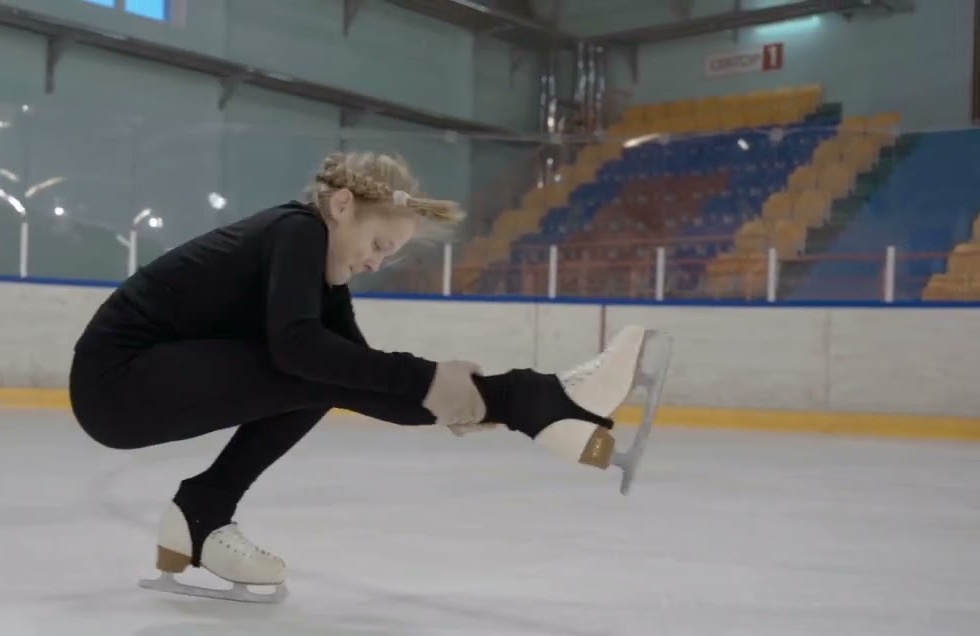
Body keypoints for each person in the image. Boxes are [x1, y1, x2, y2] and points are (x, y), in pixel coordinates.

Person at [68, 151, 656, 602]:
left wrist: (471, 404)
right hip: (117, 381)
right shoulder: (296, 230)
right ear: (341, 205)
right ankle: (544, 400)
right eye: (378, 243)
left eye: (390, 255)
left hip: (138, 386)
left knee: (322, 373)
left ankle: (199, 517)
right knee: (309, 364)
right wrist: (456, 389)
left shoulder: (320, 282)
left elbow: (364, 381)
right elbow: (310, 355)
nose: (376, 262)